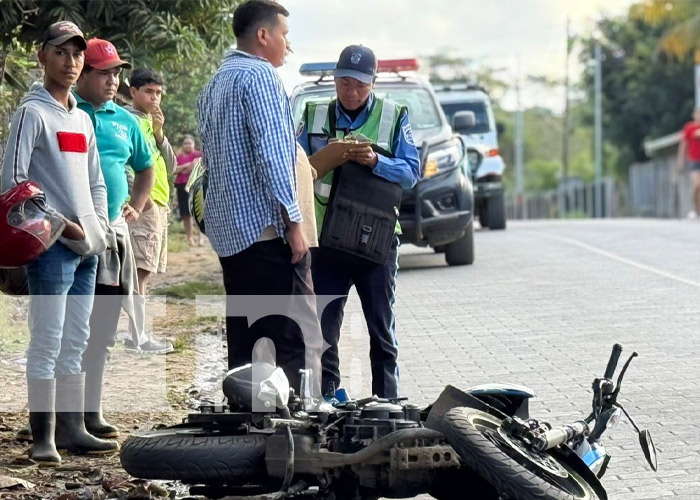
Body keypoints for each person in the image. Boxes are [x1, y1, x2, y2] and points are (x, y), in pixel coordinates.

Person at [0, 21, 117, 465]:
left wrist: (99, 227)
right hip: (51, 248)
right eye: (61, 53)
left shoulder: (82, 118)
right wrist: (63, 225)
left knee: (77, 338)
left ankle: (74, 430)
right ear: (42, 56)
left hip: (89, 246)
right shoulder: (31, 113)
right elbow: (14, 183)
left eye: (77, 54)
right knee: (46, 340)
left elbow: (96, 182)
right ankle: (42, 438)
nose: (71, 63)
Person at [197, 0, 318, 392]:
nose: (287, 44)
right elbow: (273, 154)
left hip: (230, 232)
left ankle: (244, 427)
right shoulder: (261, 77)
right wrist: (294, 222)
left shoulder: (215, 82)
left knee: (246, 340)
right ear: (263, 35)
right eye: (284, 35)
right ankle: (291, 432)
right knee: (288, 339)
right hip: (264, 231)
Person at [298, 45, 421, 399]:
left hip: (377, 242)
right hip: (326, 241)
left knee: (381, 331)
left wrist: (374, 162)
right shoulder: (314, 112)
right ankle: (325, 400)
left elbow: (411, 173)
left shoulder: (394, 115)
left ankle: (388, 402)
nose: (351, 93)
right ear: (335, 80)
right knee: (322, 331)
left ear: (373, 84)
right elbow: (296, 166)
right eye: (345, 84)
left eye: (360, 86)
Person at [124, 68, 177, 300]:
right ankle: (137, 333)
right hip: (143, 205)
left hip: (159, 202)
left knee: (145, 270)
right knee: (139, 271)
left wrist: (159, 134)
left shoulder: (151, 122)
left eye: (158, 93)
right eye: (148, 91)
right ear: (133, 92)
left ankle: (137, 331)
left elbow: (172, 166)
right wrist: (142, 202)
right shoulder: (127, 120)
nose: (154, 97)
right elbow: (123, 163)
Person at [174, 134, 202, 245]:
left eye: (189, 143)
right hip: (182, 187)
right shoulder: (178, 157)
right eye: (185, 143)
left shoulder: (198, 155)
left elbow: (195, 167)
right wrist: (187, 165)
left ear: (194, 144)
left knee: (198, 213)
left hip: (196, 186)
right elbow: (174, 170)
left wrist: (185, 168)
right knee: (185, 214)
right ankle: (190, 238)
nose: (187, 145)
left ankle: (200, 238)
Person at [677, 107, 700, 219]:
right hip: (694, 160)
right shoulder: (689, 128)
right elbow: (684, 145)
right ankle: (696, 210)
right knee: (697, 185)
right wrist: (681, 160)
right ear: (694, 115)